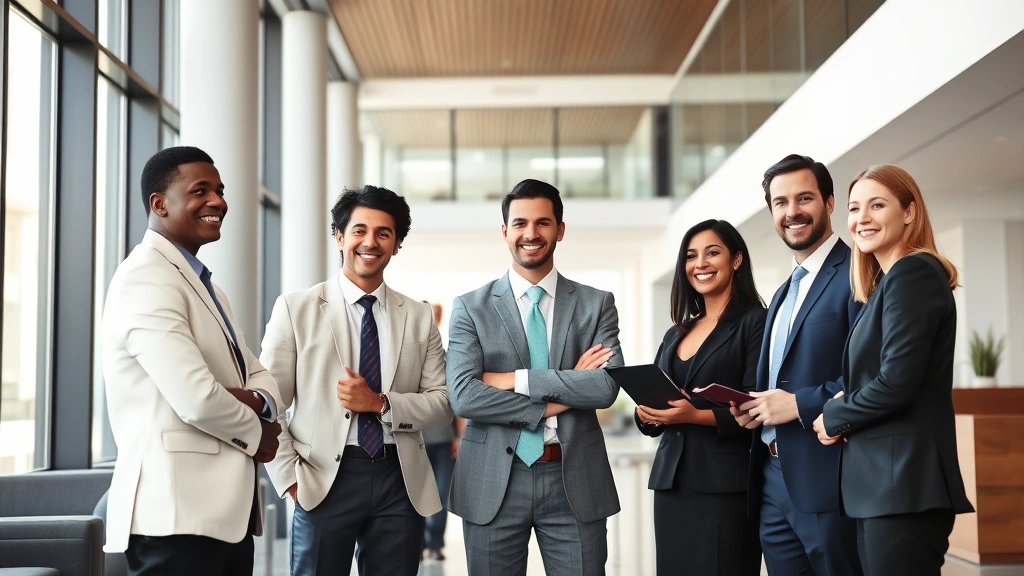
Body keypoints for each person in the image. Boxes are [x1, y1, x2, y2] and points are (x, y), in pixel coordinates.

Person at [101, 146, 282, 575]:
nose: (218, 201)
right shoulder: (145, 277)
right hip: (175, 518)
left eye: (219, 190)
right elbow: (197, 398)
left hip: (224, 520)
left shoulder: (207, 288)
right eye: (200, 190)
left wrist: (255, 397)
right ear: (159, 204)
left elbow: (258, 373)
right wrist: (258, 433)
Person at [260, 186, 453, 576]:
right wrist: (289, 479)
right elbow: (267, 405)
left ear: (397, 244)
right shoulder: (296, 309)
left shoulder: (417, 316)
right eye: (359, 230)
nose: (371, 242)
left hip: (399, 480)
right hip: (321, 478)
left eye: (384, 233)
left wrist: (380, 403)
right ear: (339, 236)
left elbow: (444, 402)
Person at [447, 178, 623, 576]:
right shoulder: (470, 308)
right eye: (520, 223)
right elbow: (464, 397)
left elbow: (607, 385)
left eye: (543, 223)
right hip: (493, 481)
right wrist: (565, 390)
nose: (531, 233)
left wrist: (517, 379)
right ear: (505, 231)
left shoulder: (596, 305)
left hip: (574, 479)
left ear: (560, 230)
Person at [813, 165, 974, 575]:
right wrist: (846, 396)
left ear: (909, 212)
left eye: (877, 205)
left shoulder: (913, 273)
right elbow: (889, 375)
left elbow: (897, 383)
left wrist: (834, 416)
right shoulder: (887, 283)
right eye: (854, 208)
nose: (861, 218)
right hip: (883, 488)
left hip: (903, 486)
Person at [730, 154, 862, 575]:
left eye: (804, 198)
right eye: (780, 202)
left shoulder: (859, 275)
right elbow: (779, 377)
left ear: (829, 202)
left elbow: (869, 376)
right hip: (770, 478)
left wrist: (798, 405)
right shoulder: (785, 289)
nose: (792, 212)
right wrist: (754, 408)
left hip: (828, 479)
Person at [634, 219, 765, 575]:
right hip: (672, 483)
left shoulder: (755, 322)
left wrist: (693, 415)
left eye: (712, 252)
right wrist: (647, 413)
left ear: (736, 260)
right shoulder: (678, 331)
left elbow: (757, 406)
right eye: (691, 256)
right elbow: (657, 407)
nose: (700, 264)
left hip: (724, 486)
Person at [420, 301, 466, 562]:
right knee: (412, 494)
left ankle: (435, 544)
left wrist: (460, 435)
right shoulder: (405, 354)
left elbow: (459, 403)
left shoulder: (447, 357)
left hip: (444, 440)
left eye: (435, 316)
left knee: (440, 494)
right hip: (412, 440)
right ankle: (415, 544)